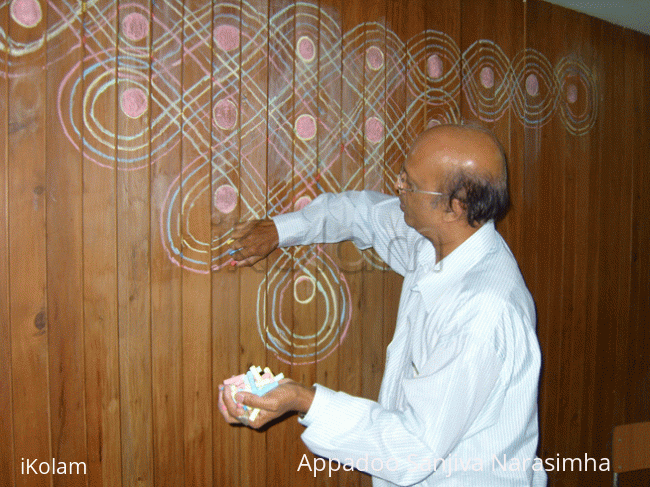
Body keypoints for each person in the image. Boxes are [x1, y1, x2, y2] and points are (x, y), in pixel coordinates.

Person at [218, 123, 546, 486]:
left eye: (409, 183)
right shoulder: (438, 241)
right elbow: (363, 213)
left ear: (454, 207)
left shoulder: (482, 314)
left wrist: (304, 400)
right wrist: (281, 230)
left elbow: (413, 449)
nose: (397, 186)